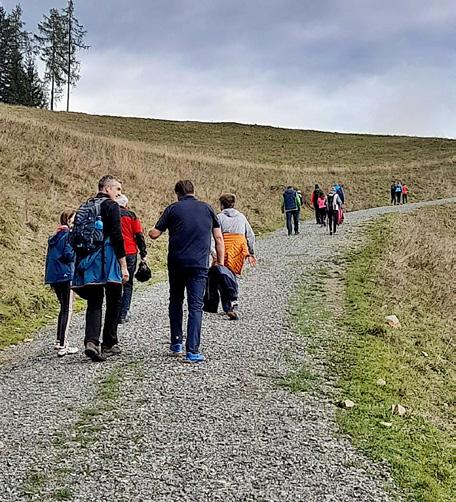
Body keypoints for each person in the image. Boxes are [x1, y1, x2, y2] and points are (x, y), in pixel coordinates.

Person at [149, 180, 224, 363]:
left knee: (175, 300)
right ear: (193, 191)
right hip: (199, 264)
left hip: (176, 263)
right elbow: (219, 238)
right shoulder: (208, 209)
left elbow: (154, 234)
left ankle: (176, 342)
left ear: (177, 193)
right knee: (195, 306)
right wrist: (220, 263)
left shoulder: (172, 209)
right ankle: (192, 351)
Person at [72, 175, 129, 362]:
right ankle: (109, 343)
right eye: (117, 189)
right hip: (108, 259)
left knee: (94, 302)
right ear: (107, 188)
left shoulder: (86, 205)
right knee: (115, 299)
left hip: (88, 260)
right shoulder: (111, 206)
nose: (119, 193)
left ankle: (91, 341)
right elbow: (117, 236)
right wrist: (123, 265)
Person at [217, 193, 257, 319]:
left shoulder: (219, 218)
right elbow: (250, 235)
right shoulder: (241, 216)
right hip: (239, 247)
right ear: (233, 204)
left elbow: (215, 235)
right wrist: (251, 252)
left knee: (223, 275)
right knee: (232, 274)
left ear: (222, 205)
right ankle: (232, 302)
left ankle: (229, 304)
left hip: (224, 247)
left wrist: (213, 251)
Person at [44, 210, 78, 357]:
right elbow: (69, 255)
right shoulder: (68, 236)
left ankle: (59, 340)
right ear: (69, 221)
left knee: (63, 307)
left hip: (54, 276)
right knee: (68, 309)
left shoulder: (55, 235)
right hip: (65, 275)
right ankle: (64, 344)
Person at [116, 194, 147, 324]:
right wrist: (143, 252)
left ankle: (114, 312)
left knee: (114, 282)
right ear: (126, 204)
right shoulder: (132, 216)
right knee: (128, 283)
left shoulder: (110, 214)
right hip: (130, 251)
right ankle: (123, 313)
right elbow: (139, 235)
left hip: (114, 252)